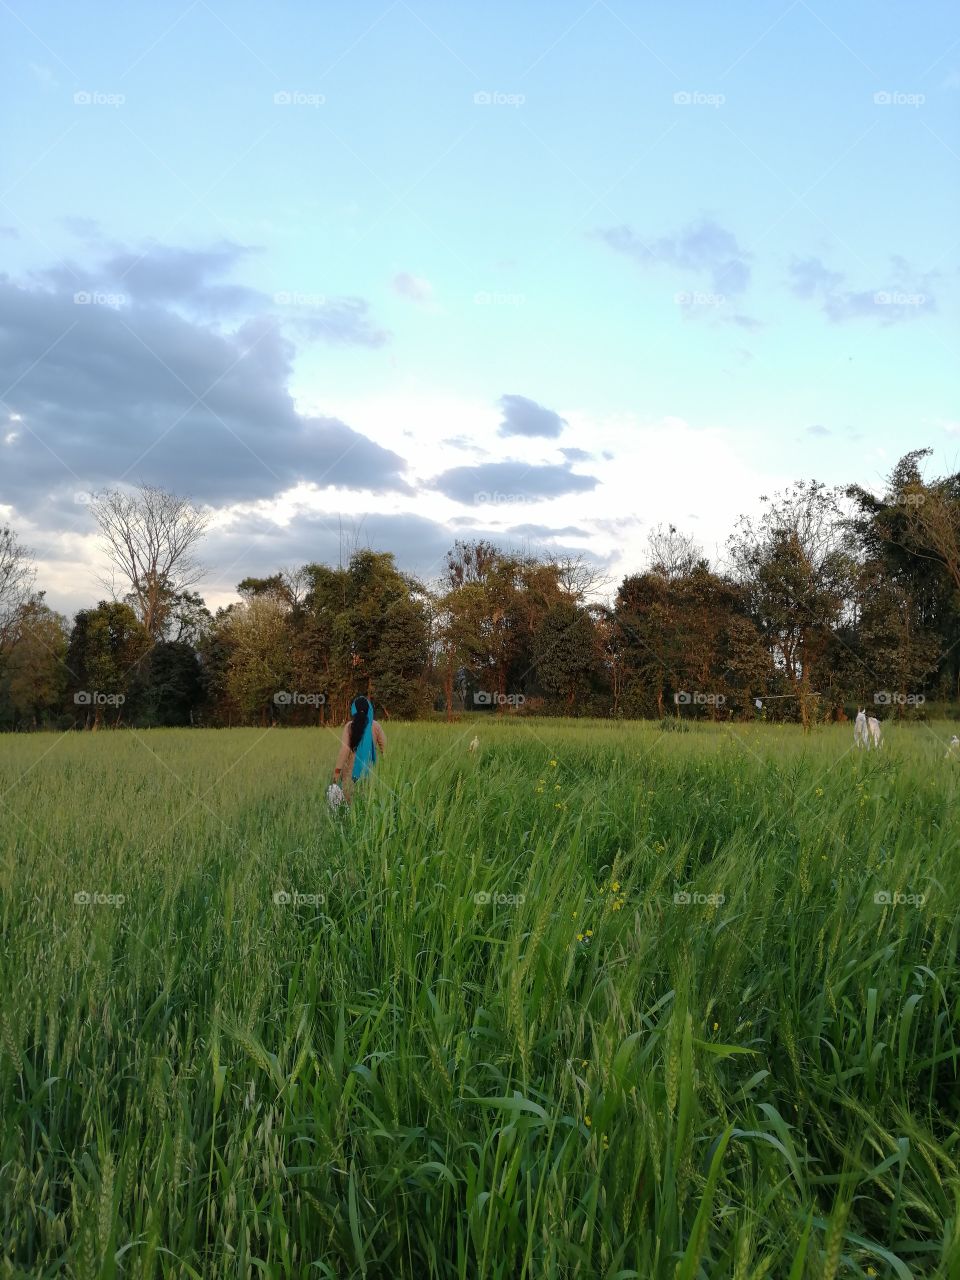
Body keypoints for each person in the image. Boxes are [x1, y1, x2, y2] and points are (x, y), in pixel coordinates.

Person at [332, 696, 385, 800]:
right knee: (368, 808)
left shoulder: (349, 726)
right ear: (369, 709)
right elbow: (385, 749)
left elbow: (345, 750)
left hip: (350, 775)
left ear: (354, 709)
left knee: (351, 809)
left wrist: (337, 771)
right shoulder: (376, 726)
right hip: (371, 774)